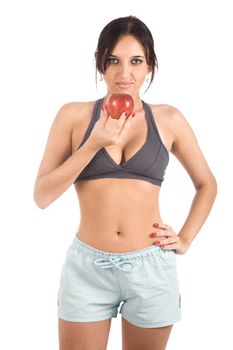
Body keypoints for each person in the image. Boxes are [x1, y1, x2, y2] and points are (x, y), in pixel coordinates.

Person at [34, 15, 217, 350]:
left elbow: (207, 184)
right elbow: (42, 196)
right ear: (100, 64)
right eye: (113, 61)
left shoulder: (169, 119)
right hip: (87, 269)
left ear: (150, 67)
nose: (124, 73)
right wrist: (93, 144)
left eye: (136, 61)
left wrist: (186, 237)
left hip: (150, 268)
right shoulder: (73, 117)